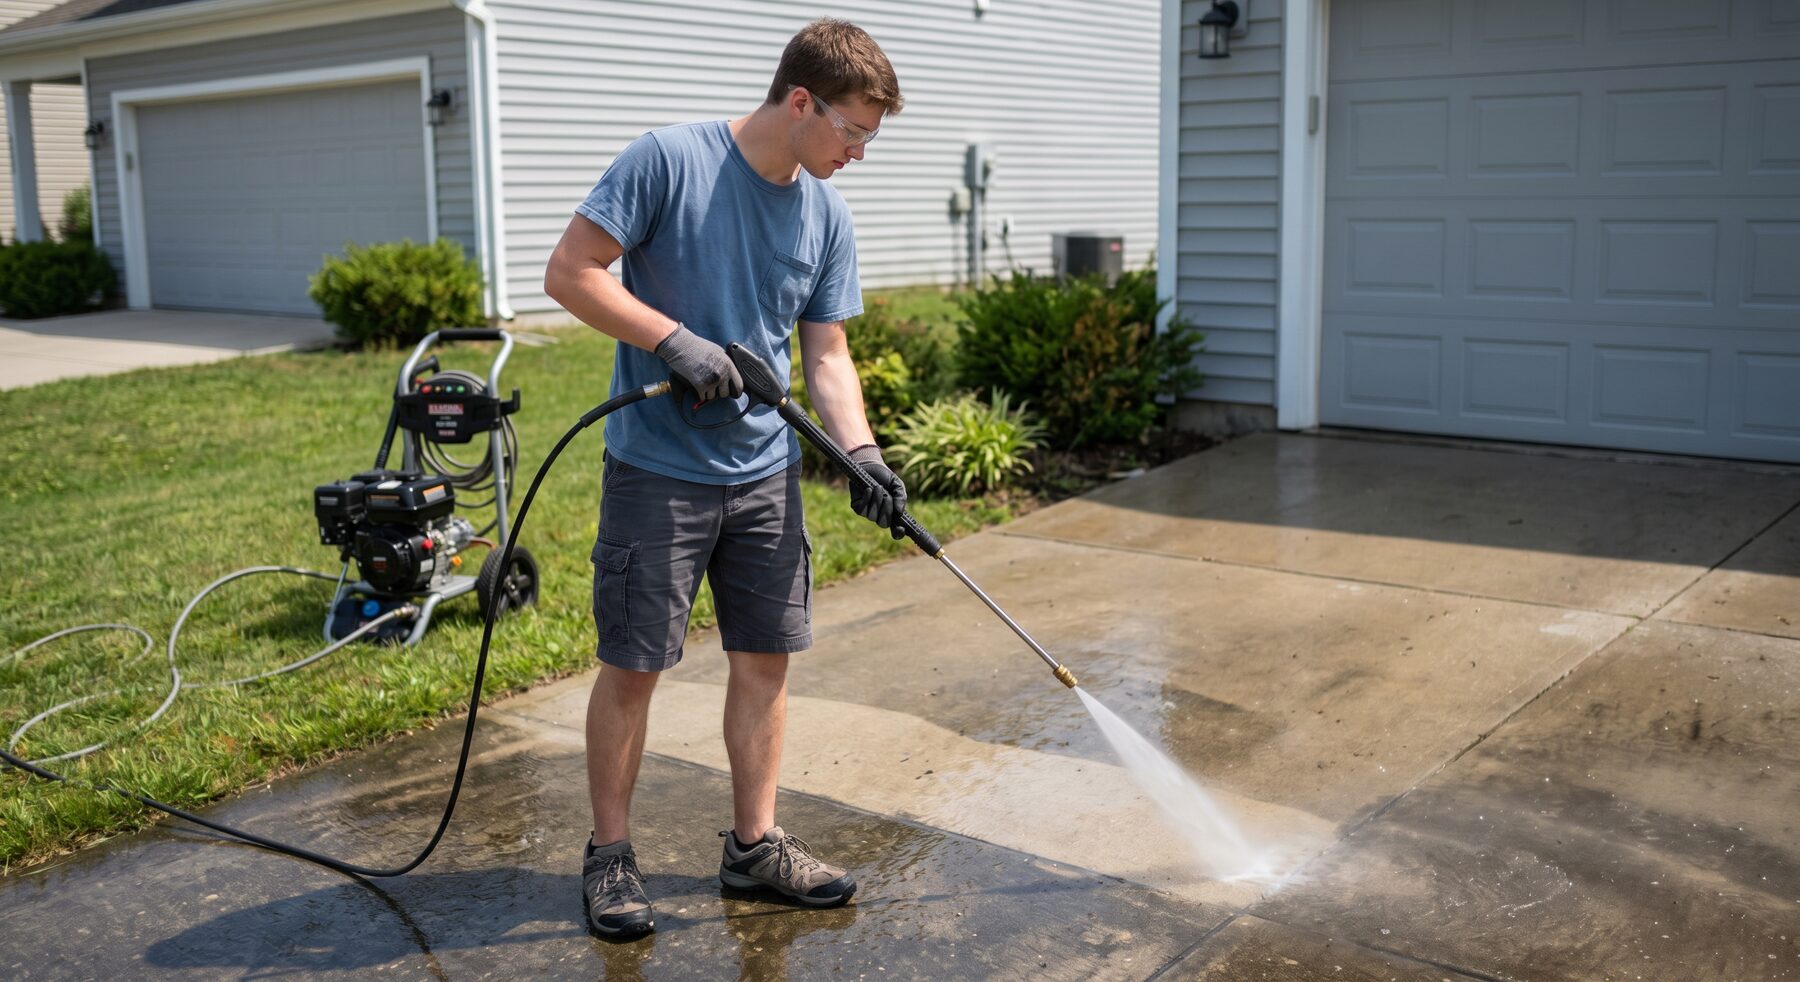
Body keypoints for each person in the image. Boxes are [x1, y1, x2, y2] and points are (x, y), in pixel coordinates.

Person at [541, 19, 907, 939]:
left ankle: (754, 847)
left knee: (765, 661)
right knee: (634, 666)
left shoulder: (826, 215)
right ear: (799, 102)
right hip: (657, 467)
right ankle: (611, 858)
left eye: (868, 139)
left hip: (765, 476)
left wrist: (858, 452)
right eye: (852, 133)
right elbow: (572, 272)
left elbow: (825, 352)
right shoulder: (669, 161)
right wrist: (671, 338)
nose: (856, 155)